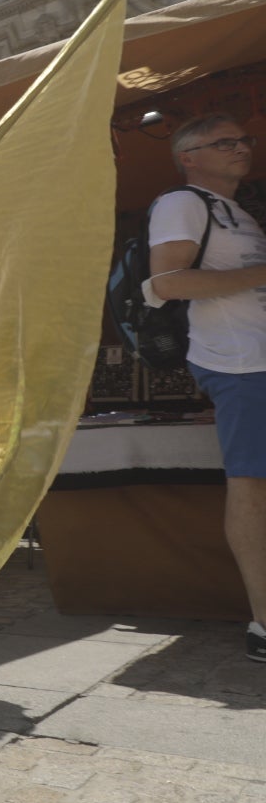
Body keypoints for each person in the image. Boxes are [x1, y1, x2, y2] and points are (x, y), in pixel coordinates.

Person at [146, 113, 266, 662]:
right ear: (189, 157)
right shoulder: (182, 203)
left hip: (255, 359)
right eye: (224, 142)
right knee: (253, 486)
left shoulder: (233, 209)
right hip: (241, 366)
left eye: (243, 140)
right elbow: (167, 282)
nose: (240, 147)